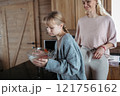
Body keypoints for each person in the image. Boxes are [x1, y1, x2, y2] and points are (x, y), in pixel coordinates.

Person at [32, 11, 87, 80]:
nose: (48, 31)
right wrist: (46, 55)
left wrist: (48, 64)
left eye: (51, 28)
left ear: (61, 26)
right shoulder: (58, 40)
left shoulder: (67, 40)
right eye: (47, 27)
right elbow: (59, 59)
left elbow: (73, 68)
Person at [75, 0, 117, 80]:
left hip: (99, 58)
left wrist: (103, 48)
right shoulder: (81, 21)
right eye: (83, 2)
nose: (85, 5)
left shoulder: (107, 20)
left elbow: (113, 40)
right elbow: (77, 43)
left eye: (88, 1)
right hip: (83, 57)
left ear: (96, 1)